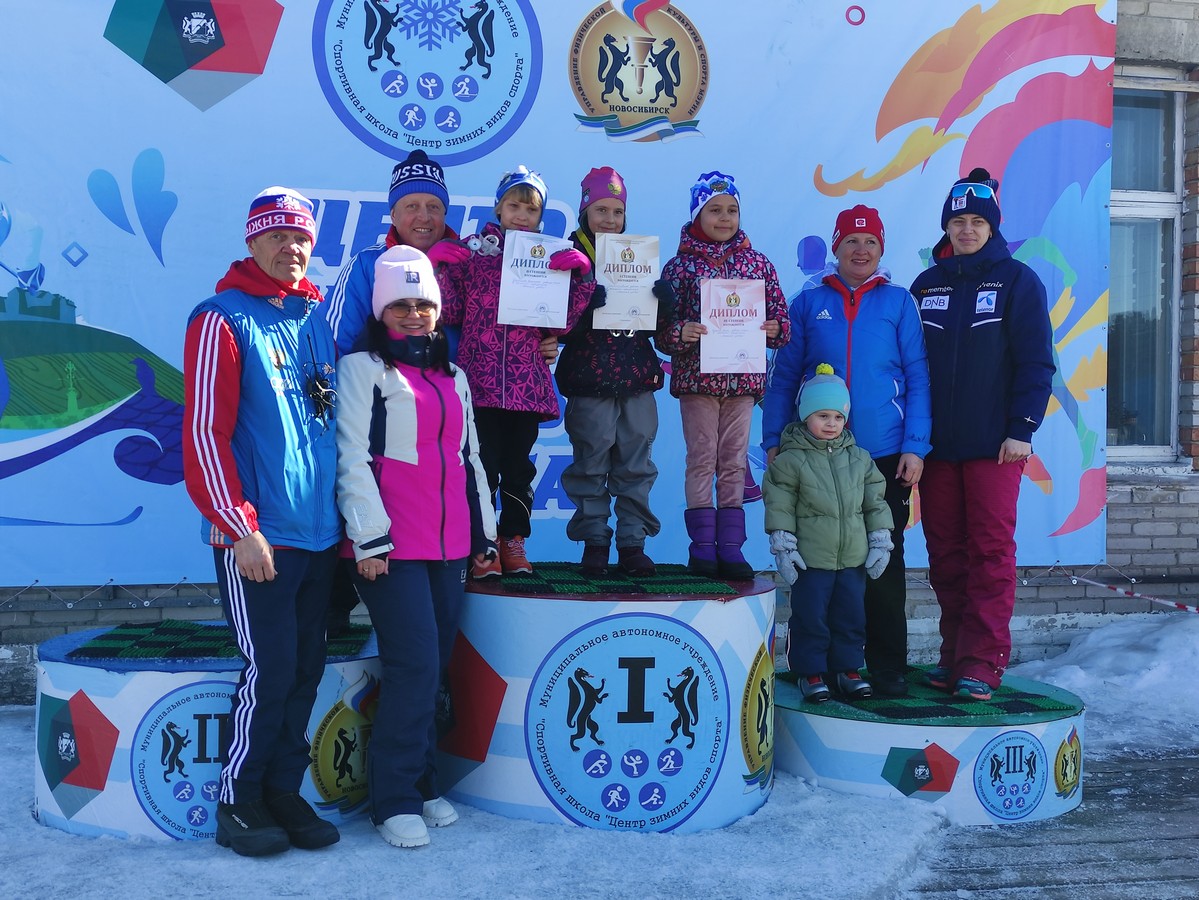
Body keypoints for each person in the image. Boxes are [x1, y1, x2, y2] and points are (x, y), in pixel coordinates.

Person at [321, 151, 557, 631]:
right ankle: (336, 610)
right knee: (356, 512)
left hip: (455, 422)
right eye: (411, 206)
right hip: (376, 427)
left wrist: (546, 334)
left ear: (447, 212)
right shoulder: (369, 265)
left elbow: (518, 318)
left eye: (433, 206)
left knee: (474, 497)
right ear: (392, 212)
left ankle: (481, 573)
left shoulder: (479, 260)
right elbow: (333, 349)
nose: (423, 217)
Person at [183, 187, 342, 857]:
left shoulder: (314, 318)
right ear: (251, 242)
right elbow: (202, 433)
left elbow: (328, 428)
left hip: (320, 535)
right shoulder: (221, 318)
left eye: (301, 236)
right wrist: (239, 525)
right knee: (269, 669)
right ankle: (239, 798)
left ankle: (283, 789)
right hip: (260, 538)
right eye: (276, 236)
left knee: (306, 668)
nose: (291, 246)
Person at [334, 245, 497, 849]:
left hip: (450, 547)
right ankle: (393, 799)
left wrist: (482, 536)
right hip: (389, 549)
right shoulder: (362, 370)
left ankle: (425, 785)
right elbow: (351, 458)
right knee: (413, 666)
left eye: (422, 303)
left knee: (435, 668)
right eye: (399, 305)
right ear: (380, 310)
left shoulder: (453, 377)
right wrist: (368, 539)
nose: (412, 315)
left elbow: (469, 458)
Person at [762, 205, 931, 697]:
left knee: (880, 561)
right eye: (851, 242)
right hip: (813, 456)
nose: (861, 250)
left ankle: (884, 666)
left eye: (871, 243)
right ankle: (816, 666)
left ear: (881, 250)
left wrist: (915, 446)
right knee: (817, 568)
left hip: (880, 455)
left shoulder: (898, 302)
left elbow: (918, 375)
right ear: (835, 248)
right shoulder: (807, 302)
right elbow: (783, 378)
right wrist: (774, 440)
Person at [909, 167, 1055, 701]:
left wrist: (1022, 429)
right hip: (939, 451)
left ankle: (982, 663)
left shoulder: (1018, 281)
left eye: (976, 221)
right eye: (957, 221)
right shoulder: (926, 285)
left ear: (993, 226)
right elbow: (910, 365)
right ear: (946, 227)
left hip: (997, 447)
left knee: (990, 554)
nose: (966, 230)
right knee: (946, 555)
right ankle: (953, 657)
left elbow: (1037, 362)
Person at [436, 165, 599, 576]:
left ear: (540, 217)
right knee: (481, 468)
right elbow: (450, 310)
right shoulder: (476, 252)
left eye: (531, 209)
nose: (521, 216)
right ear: (498, 207)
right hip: (480, 383)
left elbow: (558, 326)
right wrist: (437, 267)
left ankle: (514, 542)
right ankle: (483, 546)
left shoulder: (548, 257)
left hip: (526, 386)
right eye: (514, 205)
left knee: (520, 469)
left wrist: (580, 278)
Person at [657, 170, 789, 579]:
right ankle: (701, 550)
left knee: (733, 463)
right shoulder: (679, 267)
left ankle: (731, 549)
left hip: (743, 382)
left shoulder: (758, 263)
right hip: (698, 381)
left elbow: (781, 317)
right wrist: (683, 332)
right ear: (697, 214)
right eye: (714, 210)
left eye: (732, 210)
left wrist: (774, 329)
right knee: (701, 460)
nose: (725, 218)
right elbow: (661, 330)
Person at [557, 166, 670, 577]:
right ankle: (595, 541)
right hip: (590, 381)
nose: (609, 219)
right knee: (591, 460)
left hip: (637, 377)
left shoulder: (637, 257)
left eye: (617, 212)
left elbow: (658, 332)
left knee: (637, 462)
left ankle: (632, 542)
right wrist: (582, 306)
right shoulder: (568, 259)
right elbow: (554, 326)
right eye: (600, 210)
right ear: (585, 210)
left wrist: (664, 306)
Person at [763, 365, 894, 702]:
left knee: (851, 616)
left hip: (852, 557)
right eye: (822, 415)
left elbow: (875, 502)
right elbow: (779, 503)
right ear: (806, 415)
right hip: (811, 559)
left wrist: (880, 538)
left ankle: (848, 669)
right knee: (811, 618)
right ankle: (810, 673)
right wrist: (783, 543)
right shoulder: (790, 461)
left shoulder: (861, 459)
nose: (831, 423)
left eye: (837, 416)